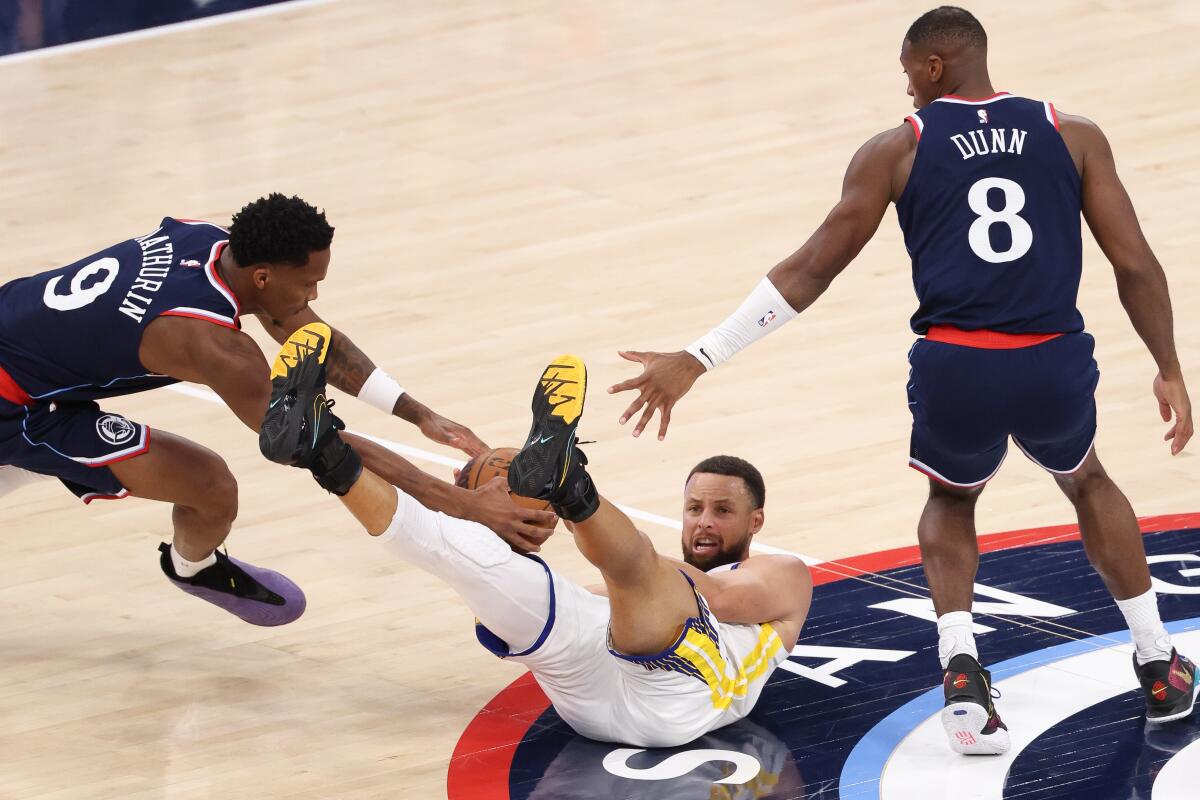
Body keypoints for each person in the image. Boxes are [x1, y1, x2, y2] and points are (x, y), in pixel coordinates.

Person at [606, 6, 1196, 753]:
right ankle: (1155, 660)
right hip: (1050, 356)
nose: (907, 91)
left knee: (950, 499)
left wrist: (699, 355)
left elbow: (810, 268)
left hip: (957, 366)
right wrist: (1168, 365)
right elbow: (1135, 262)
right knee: (1087, 481)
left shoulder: (898, 150)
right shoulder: (1072, 133)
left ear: (935, 66)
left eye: (908, 74)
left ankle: (961, 671)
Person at [0, 193, 554, 626]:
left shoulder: (208, 240)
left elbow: (302, 331)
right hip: (15, 403)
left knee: (208, 483)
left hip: (28, 353)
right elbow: (314, 442)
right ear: (263, 277)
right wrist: (463, 505)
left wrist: (416, 413)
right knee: (211, 485)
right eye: (309, 282)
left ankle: (193, 566)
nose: (313, 294)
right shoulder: (210, 344)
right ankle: (194, 568)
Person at [259, 324, 812, 746]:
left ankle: (568, 484)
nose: (704, 522)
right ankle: (321, 452)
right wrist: (498, 533)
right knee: (465, 556)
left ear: (755, 522)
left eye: (722, 510)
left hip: (679, 696)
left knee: (639, 564)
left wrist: (572, 524)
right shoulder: (655, 579)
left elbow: (721, 598)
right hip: (589, 690)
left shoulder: (783, 573)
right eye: (694, 508)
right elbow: (577, 599)